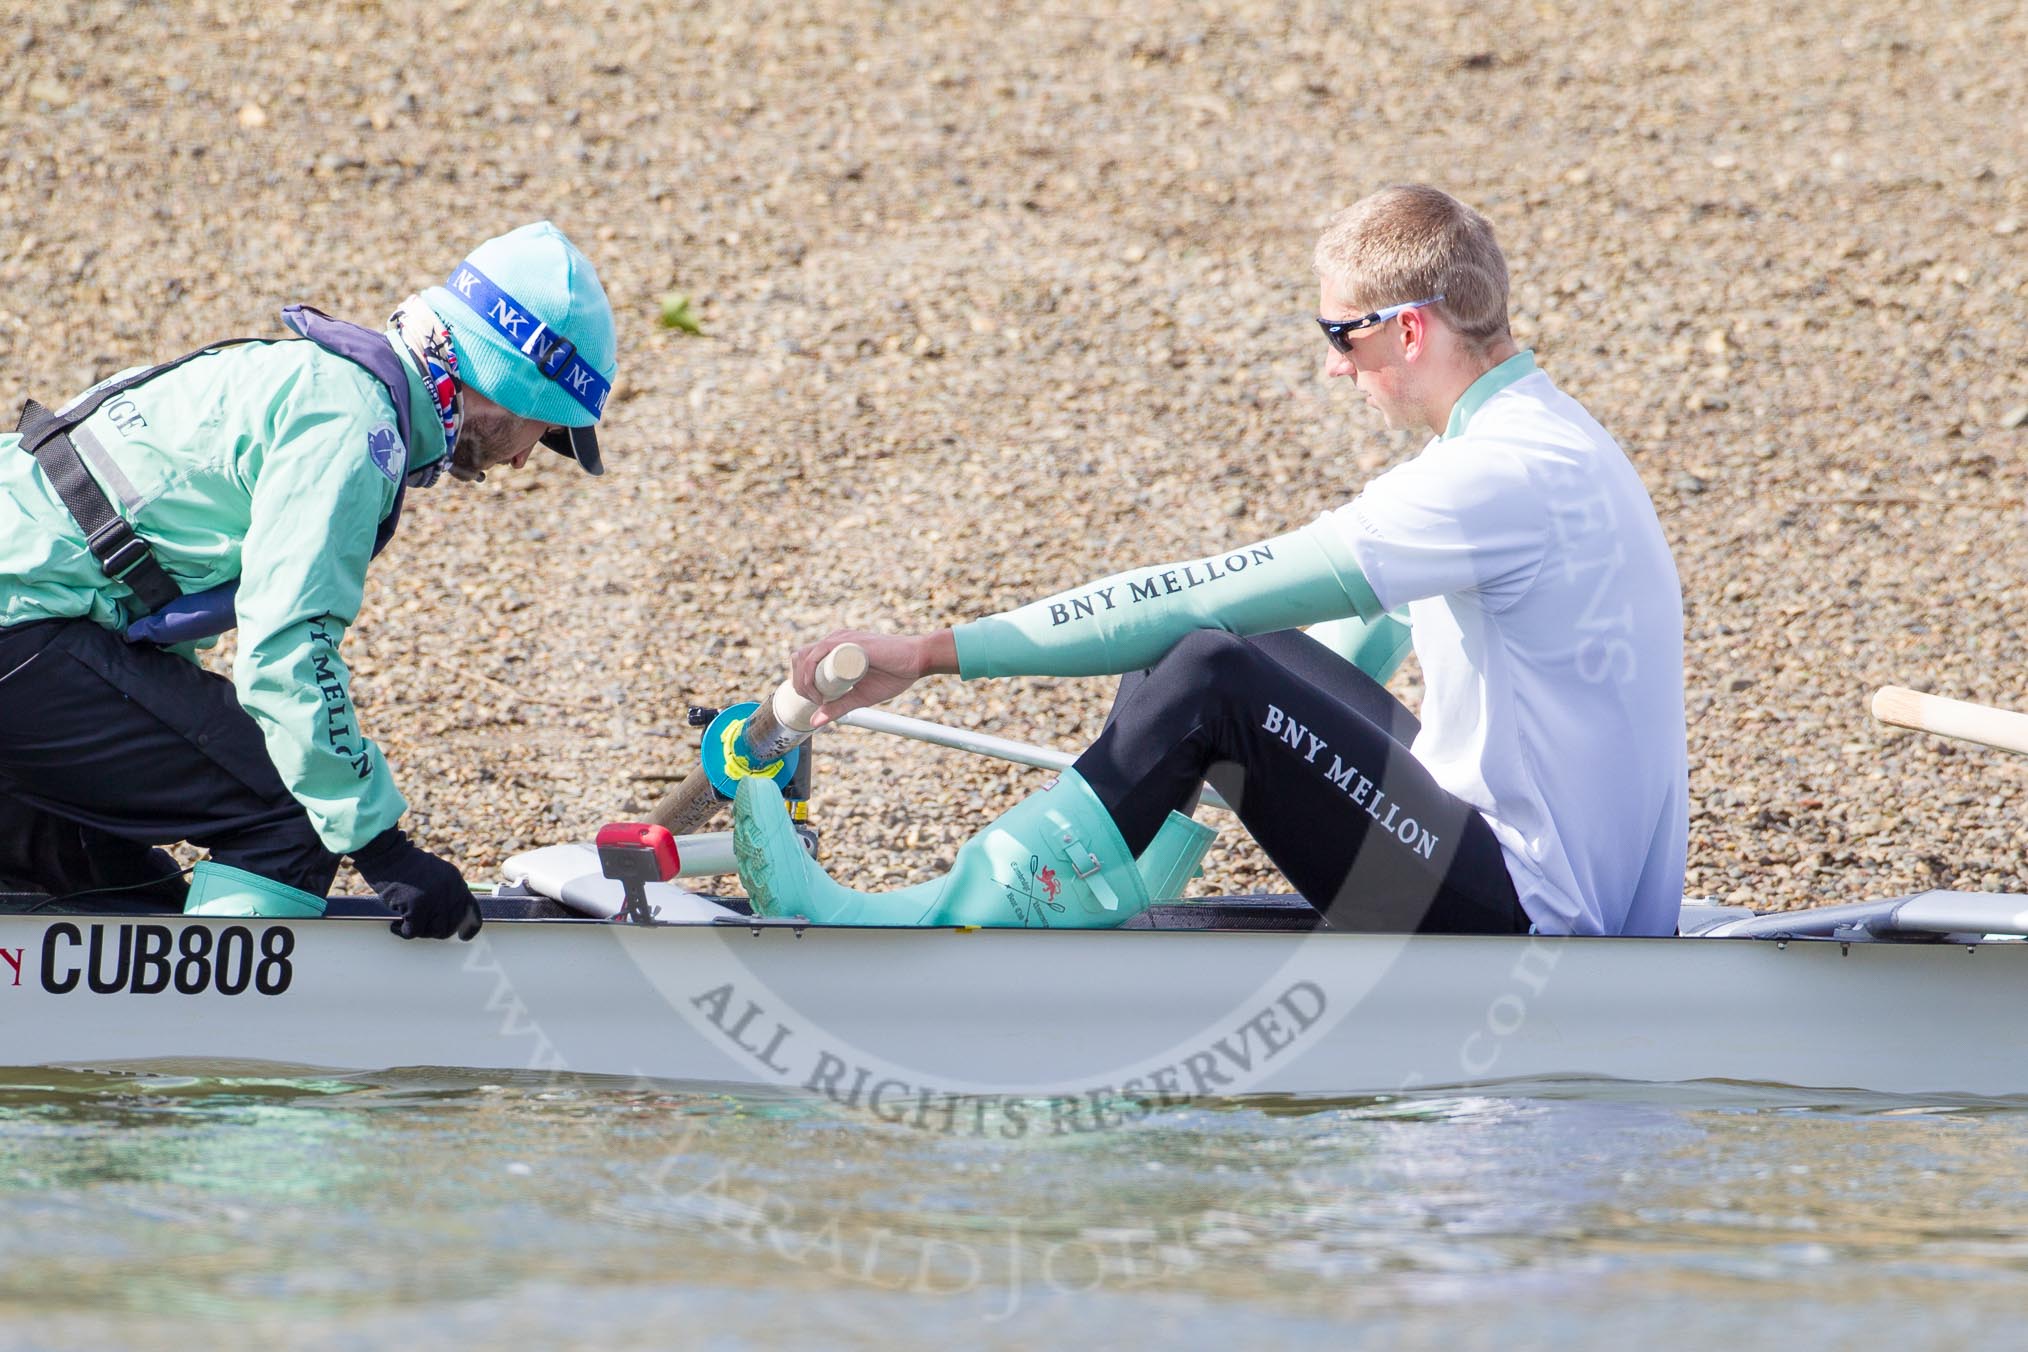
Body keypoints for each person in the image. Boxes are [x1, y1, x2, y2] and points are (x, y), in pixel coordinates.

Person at [732, 185, 1688, 937]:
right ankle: (1118, 891)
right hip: (1552, 879)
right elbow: (1341, 651)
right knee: (1219, 660)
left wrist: (929, 653)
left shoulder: (1494, 475)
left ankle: (965, 916)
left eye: (1338, 334)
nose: (1330, 367)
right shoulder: (1547, 437)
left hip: (1534, 913)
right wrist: (1226, 764)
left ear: (1408, 327)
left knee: (1203, 660)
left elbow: (1199, 599)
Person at [0, 221, 617, 939]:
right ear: (513, 388)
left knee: (122, 884)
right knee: (289, 813)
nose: (522, 461)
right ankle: (210, 1048)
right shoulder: (355, 427)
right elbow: (287, 652)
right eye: (546, 433)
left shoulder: (312, 375)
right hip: (22, 626)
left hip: (32, 618)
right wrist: (382, 847)